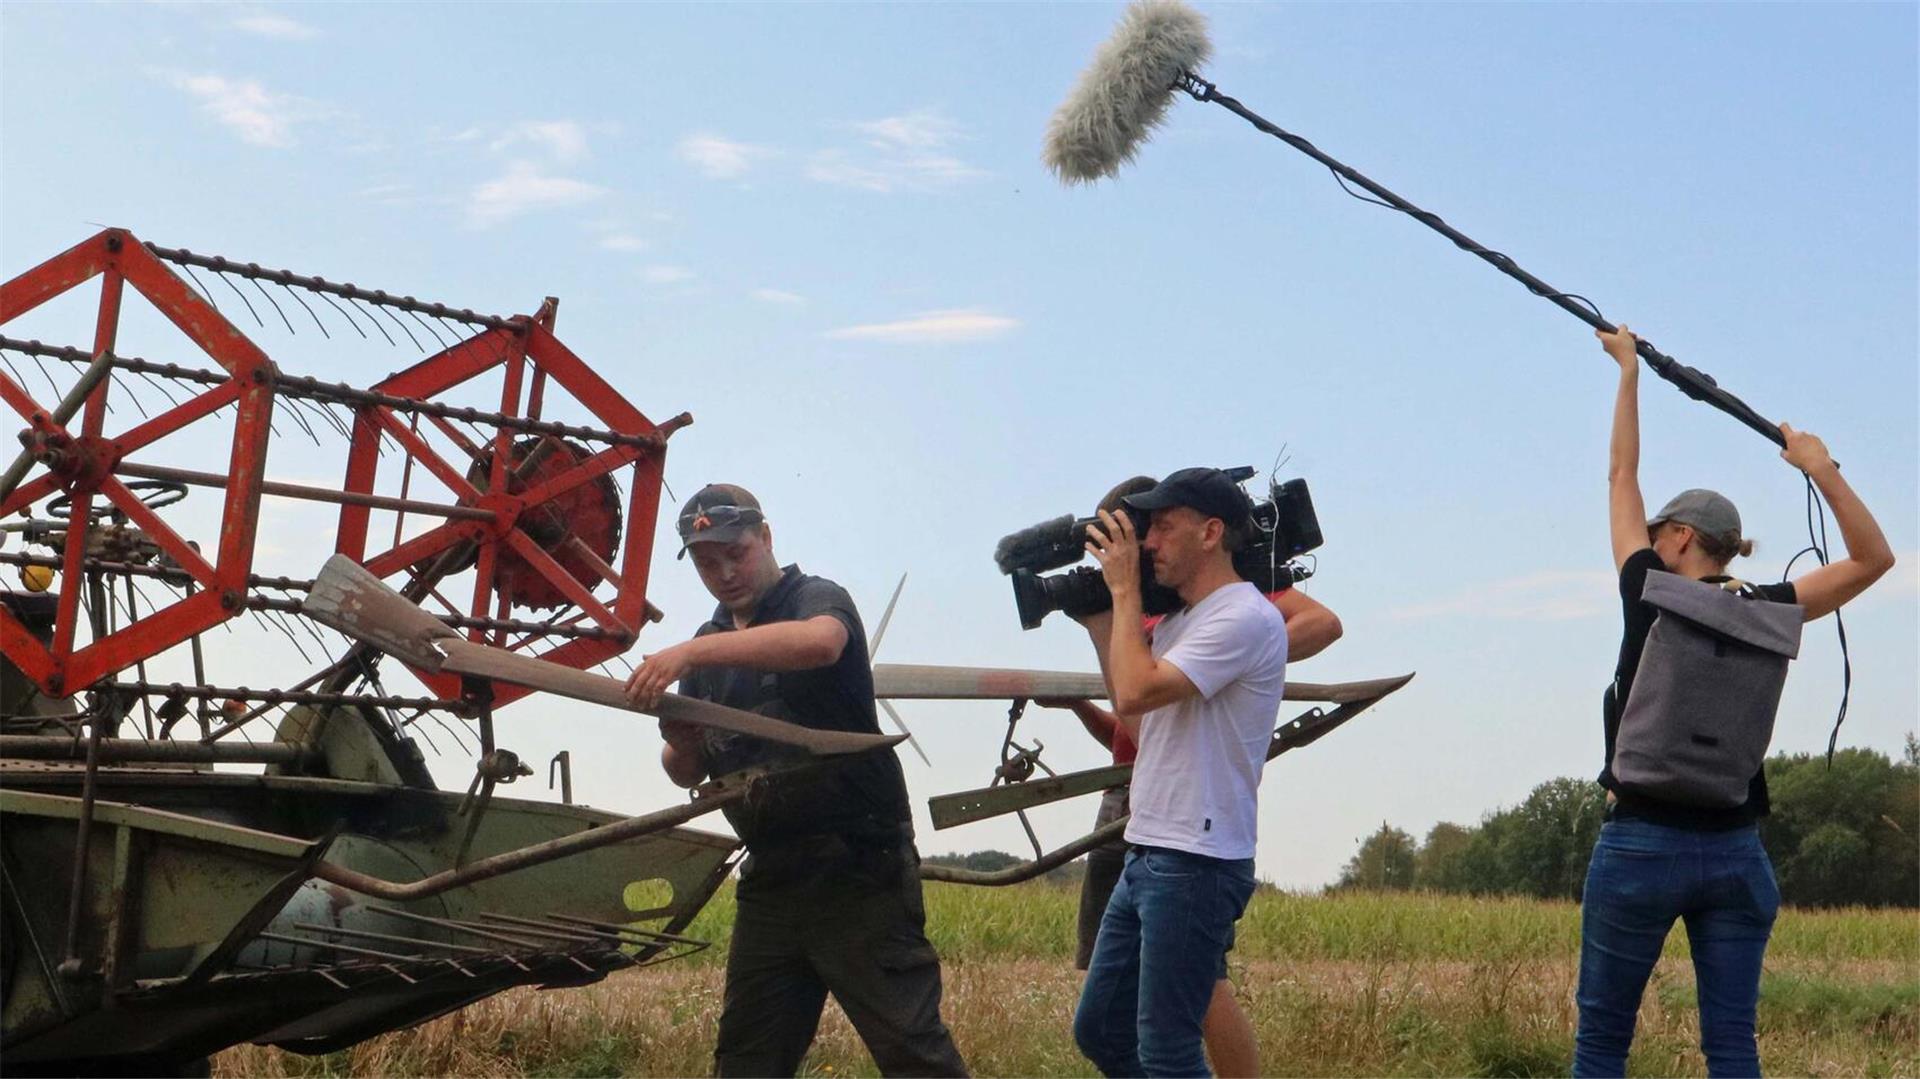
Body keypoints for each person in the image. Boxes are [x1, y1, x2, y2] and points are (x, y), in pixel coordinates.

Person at [1574, 326, 1895, 1078]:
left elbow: (1622, 474)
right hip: (1736, 852)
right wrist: (1820, 470)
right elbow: (1875, 558)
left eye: (1660, 531)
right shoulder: (1776, 606)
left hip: (1641, 841)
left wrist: (1628, 371)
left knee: (1601, 1045)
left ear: (1680, 537)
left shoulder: (1648, 589)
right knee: (1731, 1046)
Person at [624, 484, 967, 1079]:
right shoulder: (707, 646)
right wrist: (681, 741)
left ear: (767, 537)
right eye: (708, 563)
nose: (726, 572)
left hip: (859, 869)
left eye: (738, 552)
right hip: (772, 880)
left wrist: (688, 656)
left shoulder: (815, 599)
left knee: (912, 1052)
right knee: (748, 1060)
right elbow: (687, 769)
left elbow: (820, 643)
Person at [1041, 475, 1343, 1078]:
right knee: (1101, 1030)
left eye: (1161, 525)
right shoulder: (1183, 622)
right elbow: (1138, 718)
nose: (1148, 541)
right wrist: (1104, 614)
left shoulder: (1245, 618)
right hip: (1151, 847)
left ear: (1210, 533)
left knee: (1168, 1049)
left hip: (1196, 859)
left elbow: (1136, 687)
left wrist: (1123, 592)